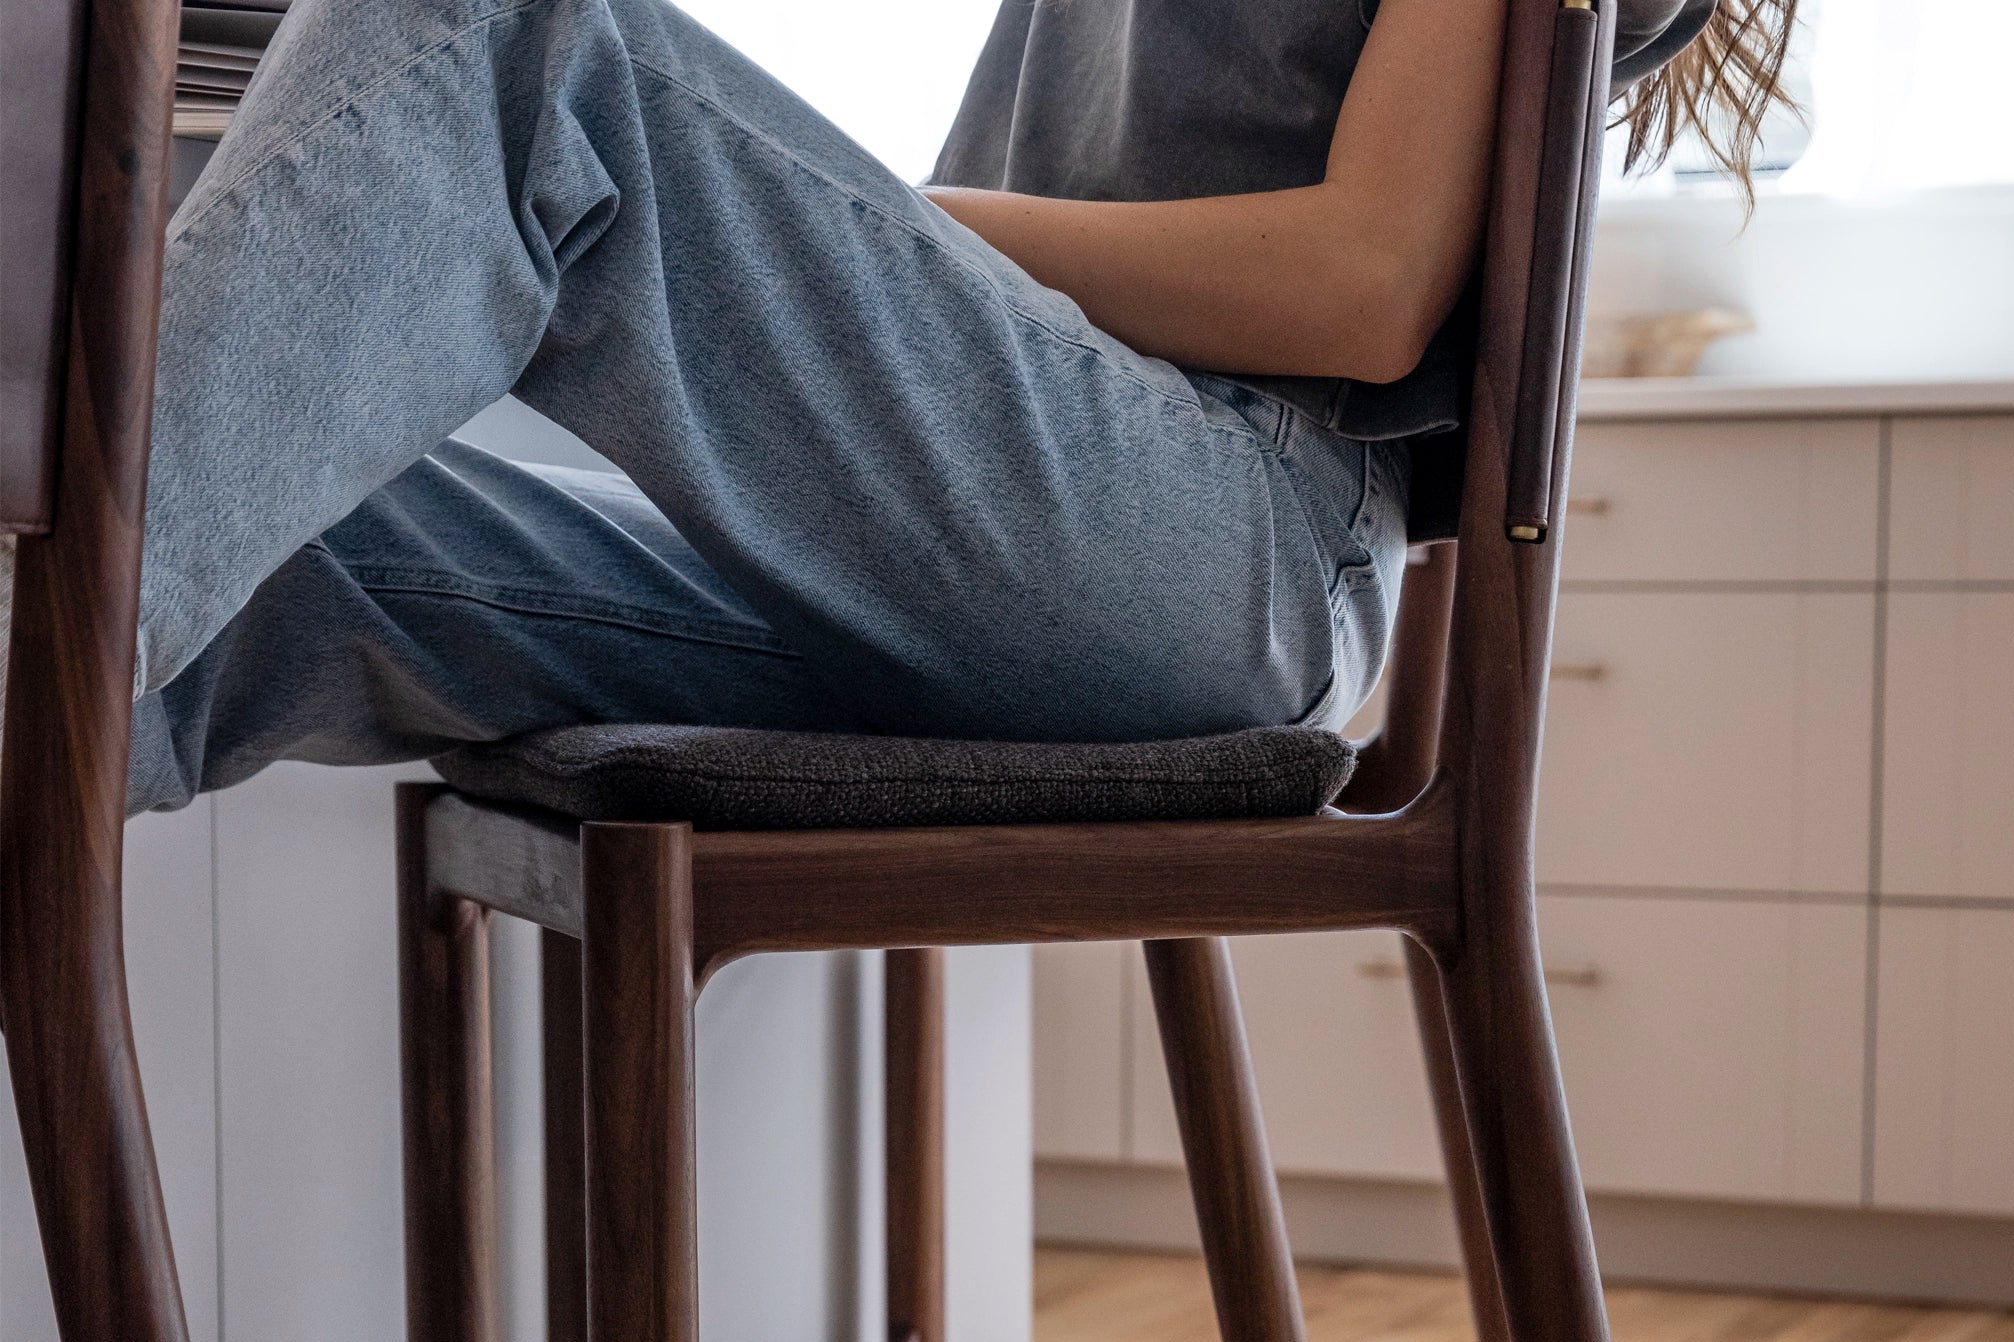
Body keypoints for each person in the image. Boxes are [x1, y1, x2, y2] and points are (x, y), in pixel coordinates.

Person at [126, 0, 1795, 815]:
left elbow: (1365, 286)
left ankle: (50, 604)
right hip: (1040, 548)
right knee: (295, 560)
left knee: (519, 25)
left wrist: (885, 226)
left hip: (1231, 546)